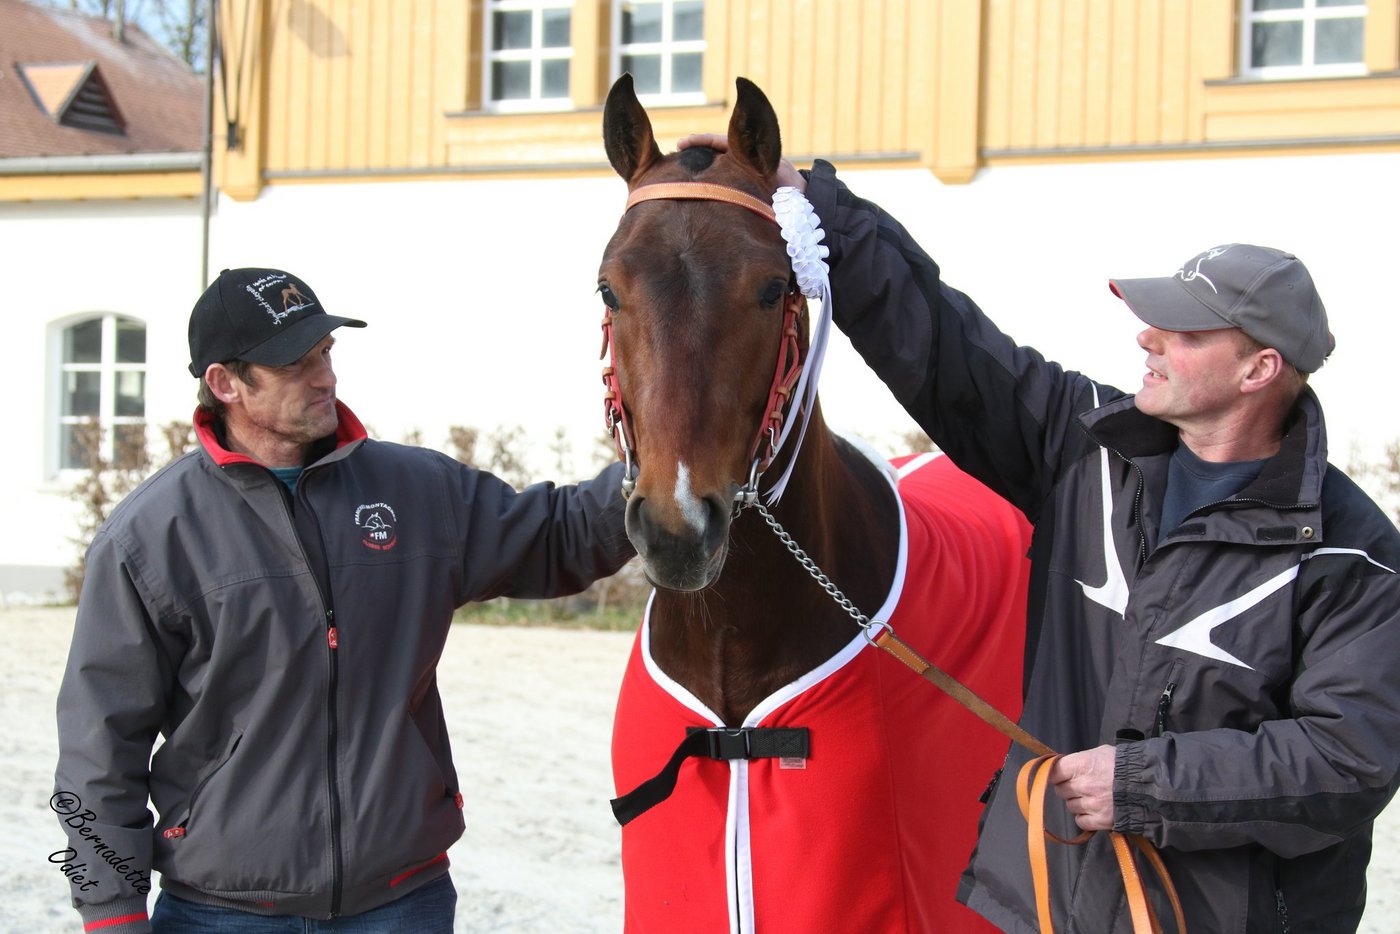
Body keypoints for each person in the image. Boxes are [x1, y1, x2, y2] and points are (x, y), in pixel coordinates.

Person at [681, 135, 1400, 932]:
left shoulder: (1351, 556)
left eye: (1187, 333)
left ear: (1259, 371)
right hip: (1055, 904)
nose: (1147, 339)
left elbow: (1349, 759)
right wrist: (814, 206)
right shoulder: (1081, 447)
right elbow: (945, 345)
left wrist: (1142, 784)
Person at [53, 267, 635, 933]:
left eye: (325, 354)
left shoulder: (416, 492)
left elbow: (557, 533)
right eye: (294, 364)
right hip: (222, 911)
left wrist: (664, 468)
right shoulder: (150, 537)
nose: (325, 377)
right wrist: (110, 912)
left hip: (401, 902)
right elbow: (99, 745)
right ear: (226, 384)